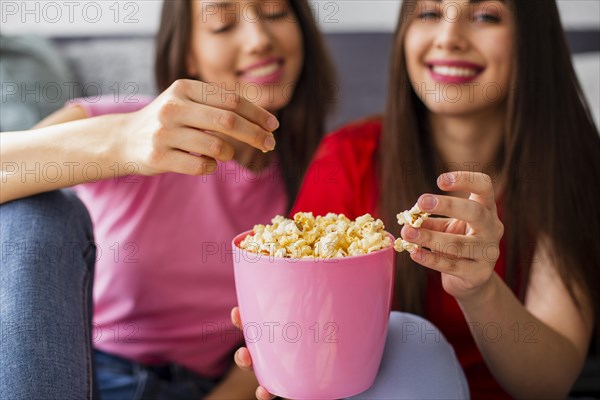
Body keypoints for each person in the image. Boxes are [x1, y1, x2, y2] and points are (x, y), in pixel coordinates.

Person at [231, 0, 600, 398]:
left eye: (486, 16)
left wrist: (479, 289)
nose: (449, 38)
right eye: (428, 13)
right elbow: (306, 309)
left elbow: (549, 383)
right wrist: (291, 354)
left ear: (534, 40)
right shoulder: (347, 157)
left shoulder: (568, 169)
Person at [0, 0, 335, 399]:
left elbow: (280, 334)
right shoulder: (133, 124)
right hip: (86, 371)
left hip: (209, 388)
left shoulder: (324, 172)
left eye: (276, 13)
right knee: (40, 213)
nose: (259, 39)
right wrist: (121, 140)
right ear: (188, 54)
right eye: (223, 24)